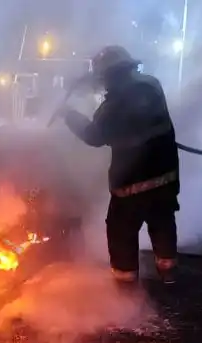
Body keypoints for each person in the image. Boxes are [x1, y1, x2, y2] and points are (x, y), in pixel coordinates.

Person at [56, 45, 180, 286]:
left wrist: (69, 115)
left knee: (121, 230)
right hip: (165, 176)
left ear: (108, 76)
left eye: (103, 79)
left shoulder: (113, 106)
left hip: (131, 184)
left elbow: (94, 135)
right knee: (162, 221)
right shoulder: (152, 85)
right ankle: (169, 273)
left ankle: (126, 282)